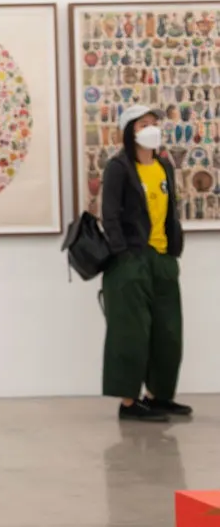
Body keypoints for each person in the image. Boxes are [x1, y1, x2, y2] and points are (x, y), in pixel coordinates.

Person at [101, 104, 190, 422]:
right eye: (143, 124)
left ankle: (158, 397)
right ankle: (128, 403)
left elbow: (170, 211)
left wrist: (173, 249)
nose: (152, 128)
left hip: (163, 258)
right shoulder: (119, 167)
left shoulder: (164, 166)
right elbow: (109, 215)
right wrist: (123, 253)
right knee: (131, 332)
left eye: (154, 123)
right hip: (131, 261)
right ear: (129, 131)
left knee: (168, 331)